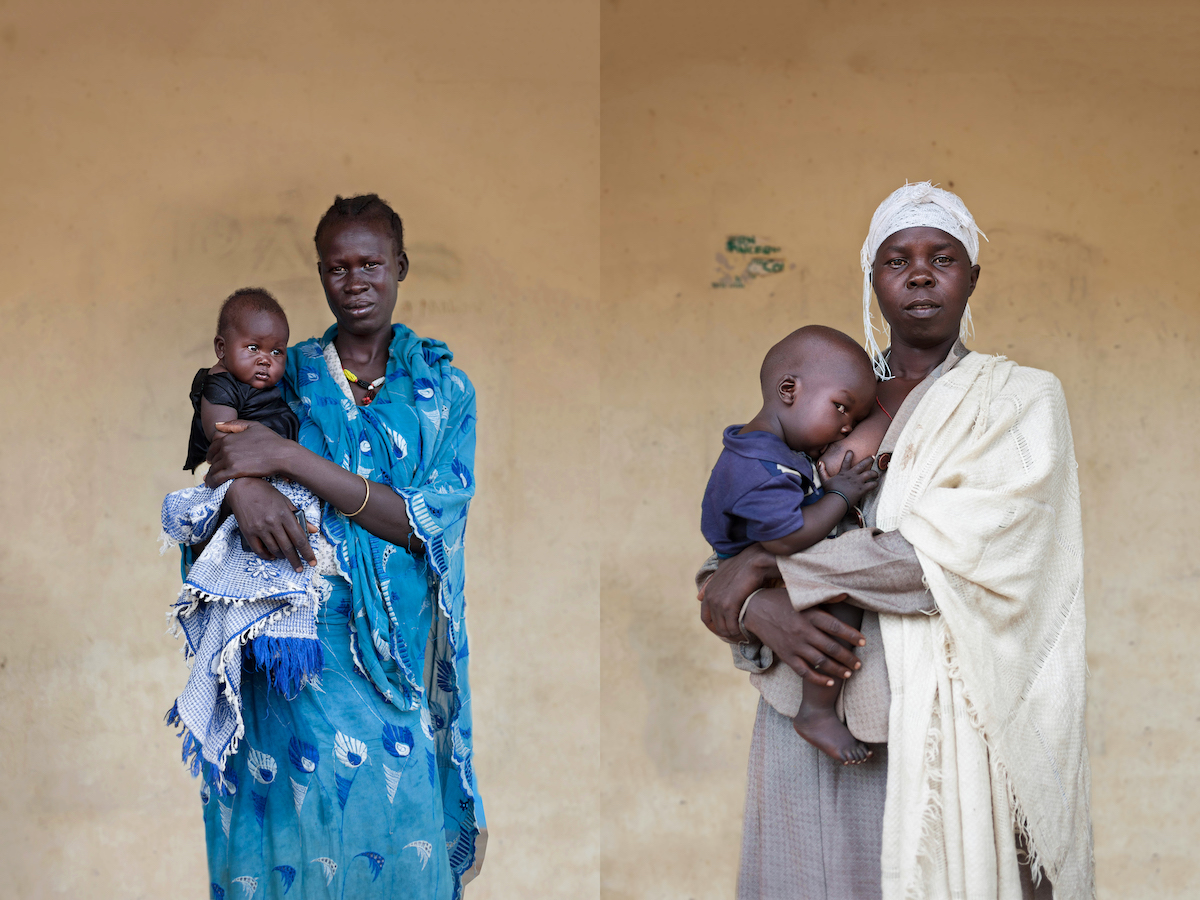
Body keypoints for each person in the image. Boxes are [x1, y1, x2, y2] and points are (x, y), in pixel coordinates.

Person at [698, 183, 1092, 899]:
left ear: (972, 276)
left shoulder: (1019, 401)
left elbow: (944, 556)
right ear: (872, 279)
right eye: (895, 260)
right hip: (804, 716)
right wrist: (757, 611)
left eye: (942, 258)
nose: (918, 274)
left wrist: (767, 571)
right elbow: (731, 553)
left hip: (945, 726)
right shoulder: (829, 395)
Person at [168, 194, 485, 900]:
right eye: (338, 267)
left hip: (395, 663)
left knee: (399, 849)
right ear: (321, 276)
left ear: (400, 266)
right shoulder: (286, 372)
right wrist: (245, 490)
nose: (356, 280)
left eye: (371, 262)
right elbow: (224, 457)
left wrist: (287, 457)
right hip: (295, 661)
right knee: (294, 852)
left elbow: (420, 523)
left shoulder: (443, 393)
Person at [700, 325, 879, 763]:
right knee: (842, 589)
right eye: (840, 408)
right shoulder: (758, 468)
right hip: (763, 572)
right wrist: (840, 494)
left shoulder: (774, 449)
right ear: (788, 390)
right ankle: (815, 711)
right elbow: (788, 537)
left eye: (853, 421)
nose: (844, 428)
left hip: (769, 559)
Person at [183, 288, 300, 475]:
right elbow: (224, 437)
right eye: (253, 348)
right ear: (221, 348)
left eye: (276, 352)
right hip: (236, 473)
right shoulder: (220, 385)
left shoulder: (266, 386)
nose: (265, 360)